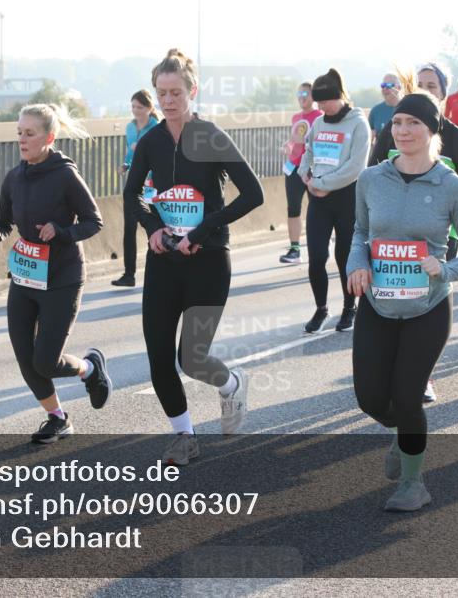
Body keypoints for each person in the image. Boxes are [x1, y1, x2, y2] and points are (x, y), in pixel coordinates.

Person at [124, 48, 264, 464]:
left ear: (192, 91)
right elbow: (131, 195)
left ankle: (231, 385)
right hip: (165, 260)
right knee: (158, 355)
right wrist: (153, 229)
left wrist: (203, 230)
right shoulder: (150, 141)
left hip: (208, 260)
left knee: (193, 357)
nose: (168, 100)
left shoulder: (211, 136)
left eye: (175, 92)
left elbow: (253, 194)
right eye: (161, 93)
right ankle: (184, 436)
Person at [348, 92, 458, 511]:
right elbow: (359, 232)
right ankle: (405, 432)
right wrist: (359, 264)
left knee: (408, 396)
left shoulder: (452, 186)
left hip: (428, 308)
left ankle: (413, 483)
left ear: (432, 131)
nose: (403, 131)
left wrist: (442, 270)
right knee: (370, 398)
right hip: (377, 303)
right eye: (397, 122)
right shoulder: (371, 179)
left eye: (413, 123)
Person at [0, 103, 112, 444]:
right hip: (25, 277)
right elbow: (4, 220)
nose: (22, 139)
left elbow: (94, 221)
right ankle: (57, 418)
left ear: (48, 137)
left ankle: (90, 368)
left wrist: (61, 231)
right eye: (19, 133)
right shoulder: (14, 177)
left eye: (29, 133)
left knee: (45, 362)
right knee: (26, 358)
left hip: (63, 278)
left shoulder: (65, 176)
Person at [369, 64, 458, 406]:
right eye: (421, 85)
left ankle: (421, 374)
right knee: (396, 299)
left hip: (438, 235)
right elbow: (374, 176)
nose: (426, 90)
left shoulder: (457, 140)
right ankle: (399, 377)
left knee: (424, 302)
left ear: (443, 93)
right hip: (392, 237)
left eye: (433, 86)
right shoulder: (393, 132)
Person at [300, 68, 371, 333]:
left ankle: (349, 307)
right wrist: (305, 174)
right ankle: (321, 309)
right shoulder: (318, 123)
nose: (320, 107)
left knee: (344, 256)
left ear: (338, 97)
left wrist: (322, 184)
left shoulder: (357, 123)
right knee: (317, 257)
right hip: (318, 199)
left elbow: (355, 167)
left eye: (324, 102)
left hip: (346, 198)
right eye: (317, 103)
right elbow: (308, 152)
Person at [113, 90, 160, 287]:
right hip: (135, 183)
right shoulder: (130, 127)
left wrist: (140, 148)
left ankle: (158, 272)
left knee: (154, 228)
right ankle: (129, 274)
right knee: (129, 228)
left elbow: (159, 154)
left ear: (149, 108)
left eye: (139, 107)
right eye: (133, 106)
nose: (135, 111)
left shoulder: (157, 127)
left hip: (153, 184)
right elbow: (129, 152)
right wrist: (125, 164)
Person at [280, 82, 323, 264]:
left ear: (313, 96)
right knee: (293, 208)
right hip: (293, 168)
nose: (302, 96)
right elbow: (294, 141)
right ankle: (295, 249)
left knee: (317, 208)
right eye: (299, 93)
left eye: (306, 93)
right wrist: (288, 147)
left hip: (312, 168)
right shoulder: (296, 117)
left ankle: (321, 242)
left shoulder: (320, 116)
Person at [368, 74, 401, 143]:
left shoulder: (407, 109)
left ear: (399, 88)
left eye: (389, 85)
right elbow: (369, 139)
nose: (385, 89)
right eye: (383, 85)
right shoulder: (375, 111)